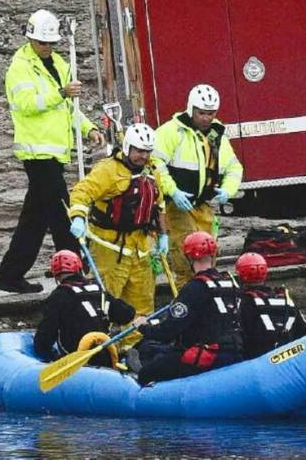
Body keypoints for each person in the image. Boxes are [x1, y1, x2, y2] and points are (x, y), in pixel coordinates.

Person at [0, 9, 104, 294]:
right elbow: (26, 104)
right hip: (37, 154)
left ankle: (11, 274)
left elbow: (71, 109)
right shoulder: (19, 67)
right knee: (62, 212)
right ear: (30, 38)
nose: (47, 47)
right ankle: (74, 268)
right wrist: (60, 93)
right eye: (42, 42)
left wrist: (89, 129)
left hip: (56, 154)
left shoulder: (59, 63)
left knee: (38, 218)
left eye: (51, 43)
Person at [67, 123, 168, 347]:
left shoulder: (152, 172)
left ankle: (136, 348)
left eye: (147, 151)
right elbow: (82, 192)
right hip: (109, 248)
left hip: (140, 249)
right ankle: (93, 345)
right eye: (139, 151)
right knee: (102, 301)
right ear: (127, 147)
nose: (143, 156)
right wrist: (78, 217)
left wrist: (163, 235)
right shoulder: (108, 170)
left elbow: (159, 205)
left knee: (142, 305)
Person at [152, 84, 242, 287]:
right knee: (186, 257)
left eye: (211, 113)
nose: (206, 118)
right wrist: (172, 190)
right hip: (178, 206)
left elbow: (234, 167)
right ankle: (189, 299)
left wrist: (228, 190)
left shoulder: (216, 136)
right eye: (202, 113)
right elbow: (155, 163)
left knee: (208, 256)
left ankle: (208, 297)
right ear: (191, 109)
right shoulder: (172, 132)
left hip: (203, 205)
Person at [131, 231, 242, 385]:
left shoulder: (194, 288)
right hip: (234, 351)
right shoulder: (231, 283)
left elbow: (169, 331)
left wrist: (144, 327)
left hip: (205, 355)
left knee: (146, 372)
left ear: (189, 257)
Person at [33, 249, 135, 367]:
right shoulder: (98, 289)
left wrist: (47, 355)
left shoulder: (58, 296)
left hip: (76, 358)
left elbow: (44, 339)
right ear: (79, 269)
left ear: (56, 276)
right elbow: (128, 314)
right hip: (105, 354)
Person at [235, 252, 306, 359]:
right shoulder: (285, 299)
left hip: (257, 360)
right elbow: (304, 333)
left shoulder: (243, 302)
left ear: (240, 275)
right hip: (289, 359)